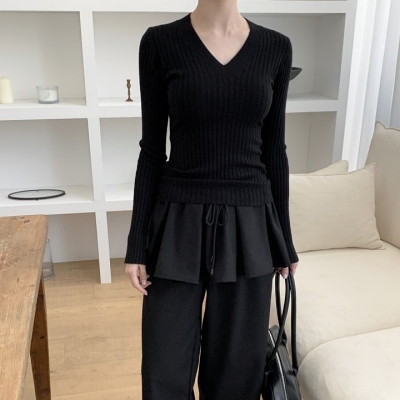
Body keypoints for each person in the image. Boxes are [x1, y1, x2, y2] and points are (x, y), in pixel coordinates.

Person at [125, 1, 299, 399]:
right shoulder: (160, 43)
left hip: (250, 226)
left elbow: (275, 149)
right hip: (177, 223)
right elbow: (151, 151)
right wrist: (137, 244)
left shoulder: (276, 47)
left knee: (236, 371)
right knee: (164, 368)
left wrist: (283, 239)